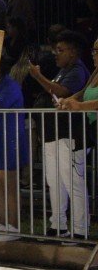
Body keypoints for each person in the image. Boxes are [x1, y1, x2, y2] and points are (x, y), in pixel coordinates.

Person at [29, 30, 91, 238]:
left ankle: (80, 229)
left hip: (70, 134)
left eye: (61, 50)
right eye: (56, 50)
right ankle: (58, 225)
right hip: (53, 133)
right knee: (54, 181)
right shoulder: (62, 70)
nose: (56, 54)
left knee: (72, 182)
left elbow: (61, 92)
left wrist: (38, 76)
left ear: (73, 52)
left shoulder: (78, 71)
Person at [0, 56, 27, 240]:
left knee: (8, 185)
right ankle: (2, 223)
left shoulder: (10, 85)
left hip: (7, 141)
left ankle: (14, 226)